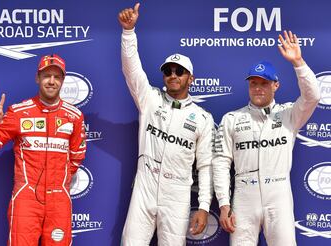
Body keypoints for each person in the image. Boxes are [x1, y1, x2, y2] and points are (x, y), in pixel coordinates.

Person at [118, 3, 215, 246]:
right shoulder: (149, 99)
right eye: (168, 71)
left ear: (190, 78)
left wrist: (203, 207)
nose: (173, 75)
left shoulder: (202, 117)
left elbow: (206, 166)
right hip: (145, 185)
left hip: (178, 192)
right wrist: (128, 33)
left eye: (179, 71)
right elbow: (132, 70)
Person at [213, 30, 320, 245]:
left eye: (264, 83)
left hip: (278, 194)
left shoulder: (289, 114)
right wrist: (224, 204)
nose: (258, 88)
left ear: (276, 85)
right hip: (244, 196)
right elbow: (221, 163)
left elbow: (313, 96)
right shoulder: (232, 118)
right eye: (254, 83)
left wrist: (298, 62)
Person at [0, 54, 87, 246]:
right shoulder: (19, 112)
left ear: (62, 80)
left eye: (56, 76)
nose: (51, 81)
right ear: (37, 78)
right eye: (46, 76)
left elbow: (77, 156)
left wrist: (58, 182)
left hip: (59, 201)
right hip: (26, 199)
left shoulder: (74, 116)